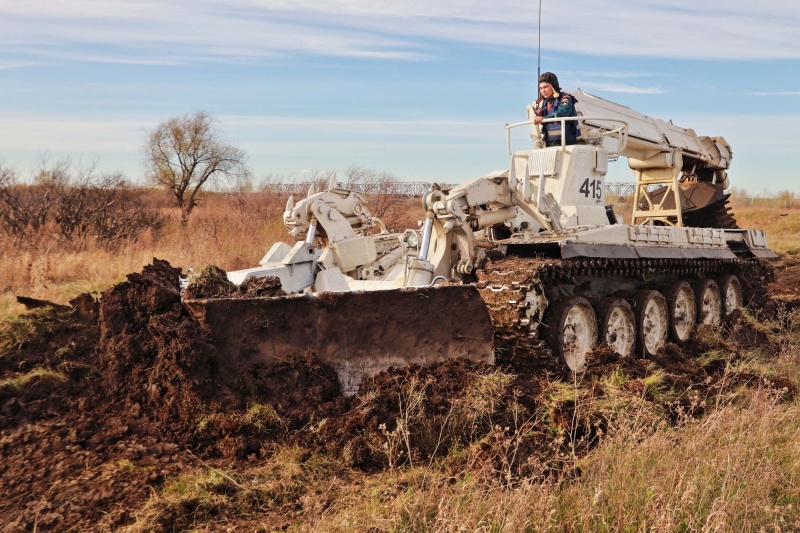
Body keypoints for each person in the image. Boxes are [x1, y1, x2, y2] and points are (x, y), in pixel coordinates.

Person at [533, 72, 580, 147]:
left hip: (566, 143)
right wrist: (538, 114)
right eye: (541, 88)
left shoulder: (565, 98)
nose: (543, 91)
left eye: (545, 87)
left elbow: (563, 112)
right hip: (549, 142)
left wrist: (544, 118)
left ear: (553, 86)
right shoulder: (545, 102)